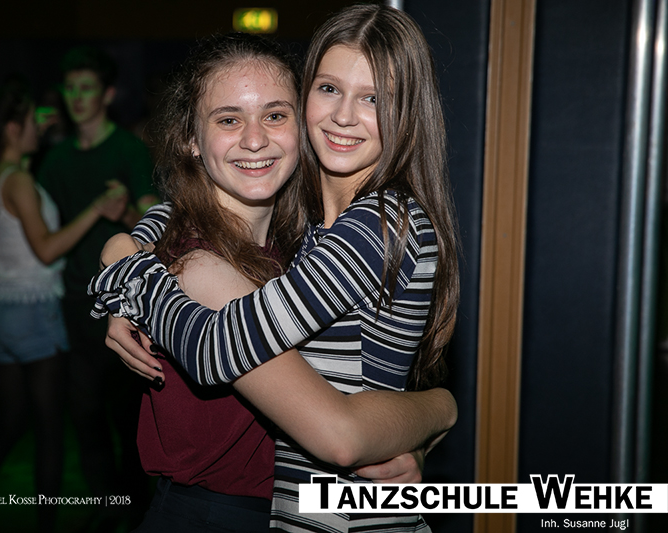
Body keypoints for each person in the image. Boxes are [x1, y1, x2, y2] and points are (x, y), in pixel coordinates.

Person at [93, 4, 460, 531]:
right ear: (190, 138)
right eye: (329, 89)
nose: (343, 116)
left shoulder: (360, 227)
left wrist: (127, 272)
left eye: (374, 98)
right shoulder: (297, 234)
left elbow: (222, 353)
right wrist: (127, 247)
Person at [0, 81, 126, 533]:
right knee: (48, 429)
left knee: (9, 423)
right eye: (31, 121)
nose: (39, 129)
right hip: (32, 311)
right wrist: (96, 209)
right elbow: (46, 251)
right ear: (12, 128)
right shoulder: (19, 180)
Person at [36, 46, 156, 529]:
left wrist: (124, 214)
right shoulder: (56, 159)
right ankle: (107, 509)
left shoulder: (128, 150)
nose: (78, 97)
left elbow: (153, 227)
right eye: (71, 88)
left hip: (123, 306)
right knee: (85, 418)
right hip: (72, 301)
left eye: (87, 88)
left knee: (128, 418)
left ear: (107, 94)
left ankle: (137, 512)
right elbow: (39, 228)